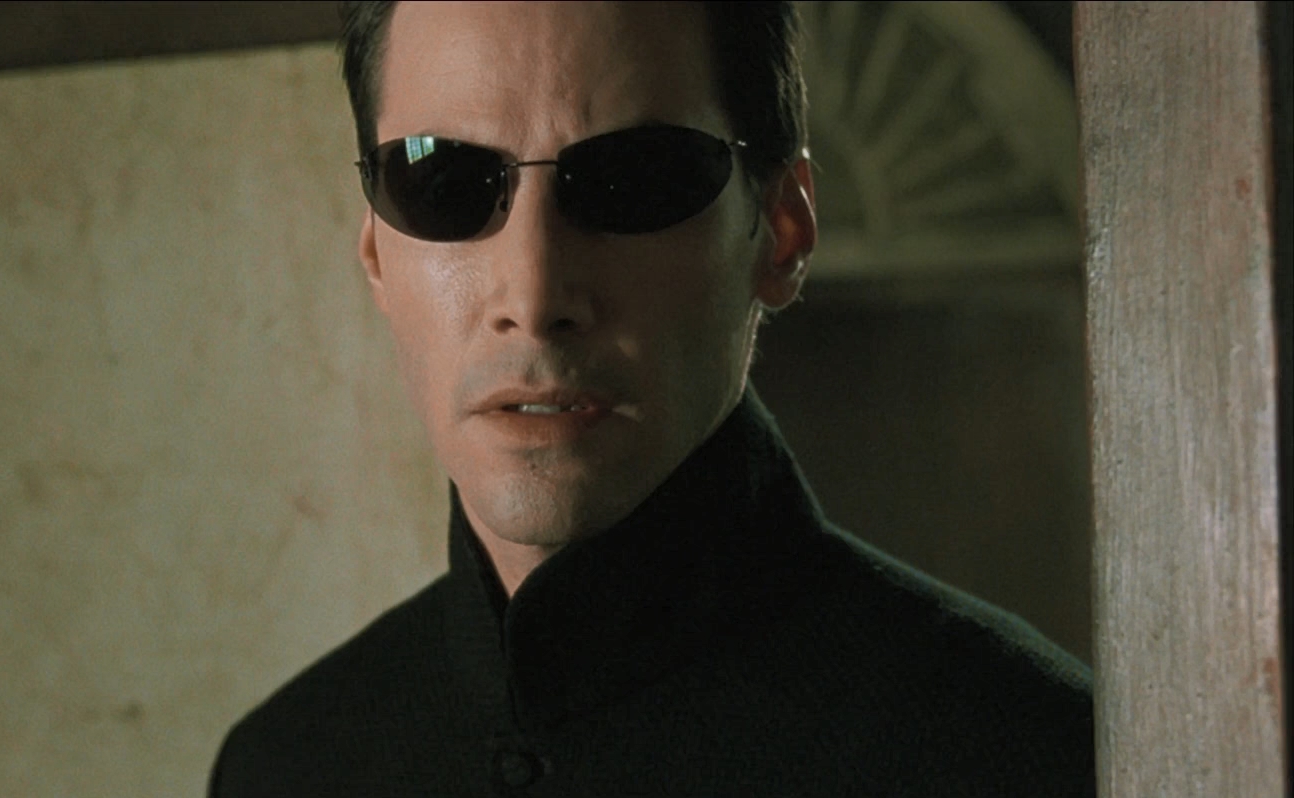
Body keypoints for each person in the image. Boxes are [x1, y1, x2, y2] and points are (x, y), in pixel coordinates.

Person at [209, 2, 1094, 794]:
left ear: (782, 231)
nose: (534, 295)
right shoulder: (286, 767)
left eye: (631, 179)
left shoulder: (1028, 754)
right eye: (443, 183)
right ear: (375, 252)